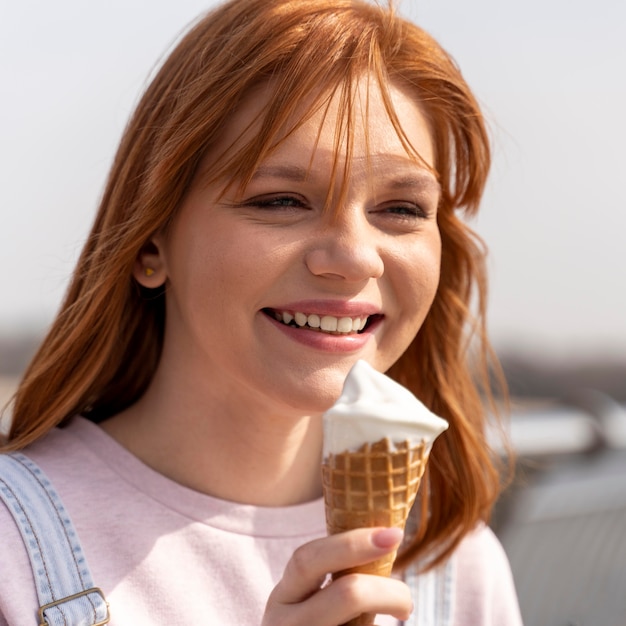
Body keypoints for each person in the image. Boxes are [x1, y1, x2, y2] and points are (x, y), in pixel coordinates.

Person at [0, 0, 523, 624]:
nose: (354, 258)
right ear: (149, 241)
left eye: (402, 209)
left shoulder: (456, 565)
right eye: (280, 200)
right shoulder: (15, 547)